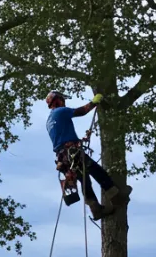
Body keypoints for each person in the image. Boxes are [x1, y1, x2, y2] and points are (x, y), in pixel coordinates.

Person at [45, 90, 132, 220]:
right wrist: (93, 102)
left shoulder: (49, 121)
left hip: (63, 158)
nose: (64, 102)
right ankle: (116, 197)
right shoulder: (60, 111)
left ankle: (95, 209)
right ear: (58, 100)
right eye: (62, 100)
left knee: (85, 181)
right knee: (97, 171)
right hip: (71, 153)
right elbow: (81, 111)